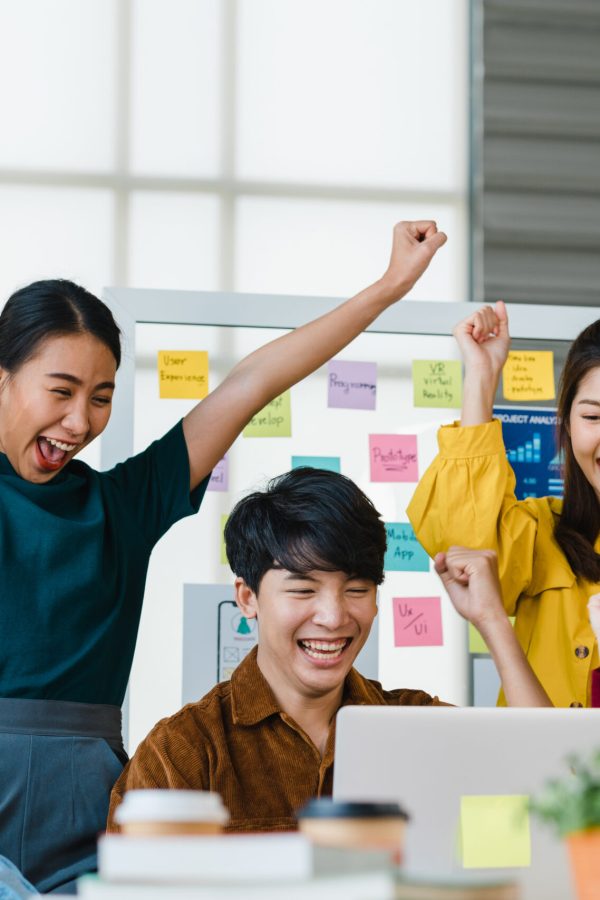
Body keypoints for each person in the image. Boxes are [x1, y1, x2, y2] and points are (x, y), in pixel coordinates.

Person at [0, 221, 446, 894]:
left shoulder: (126, 503)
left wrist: (387, 290)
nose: (80, 422)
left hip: (85, 807)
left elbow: (251, 382)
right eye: (60, 392)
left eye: (101, 397)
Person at [107, 468, 550, 835]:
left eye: (357, 589)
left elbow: (550, 786)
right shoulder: (184, 752)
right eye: (303, 589)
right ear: (247, 597)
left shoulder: (417, 724)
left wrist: (492, 620)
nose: (334, 617)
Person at [408, 302, 600, 708]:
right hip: (541, 770)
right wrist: (481, 377)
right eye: (594, 417)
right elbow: (464, 547)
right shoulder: (544, 533)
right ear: (565, 424)